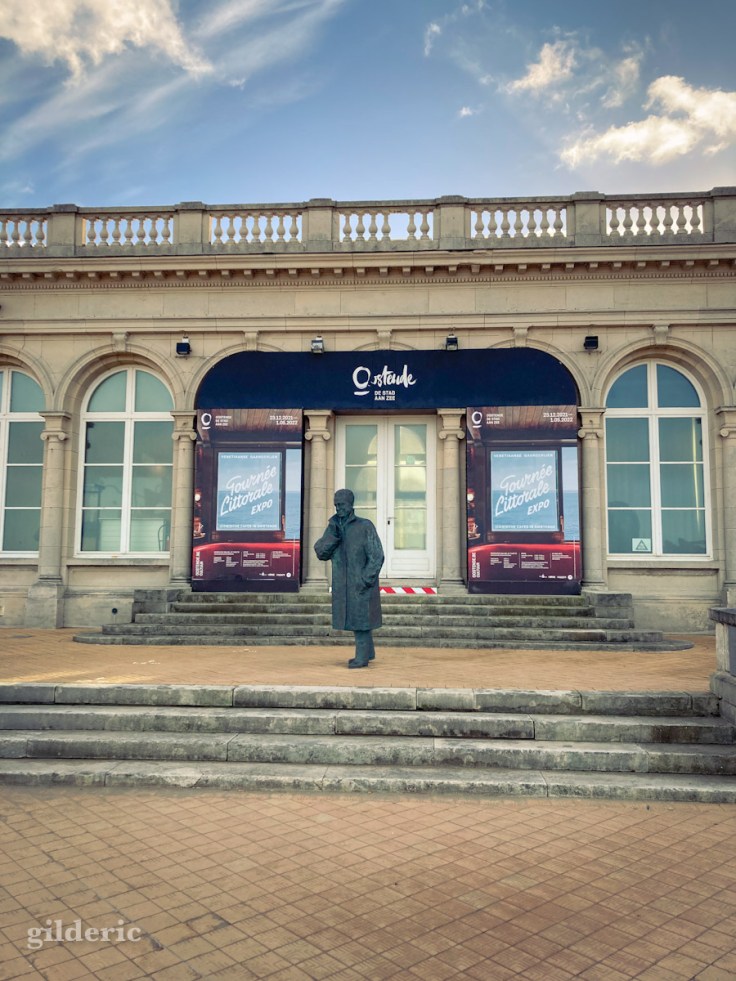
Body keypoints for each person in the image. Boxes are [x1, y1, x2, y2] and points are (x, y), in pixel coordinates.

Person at [314, 489, 384, 668]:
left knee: (361, 619)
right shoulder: (334, 527)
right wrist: (334, 536)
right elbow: (321, 552)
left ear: (351, 505)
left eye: (342, 505)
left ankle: (362, 657)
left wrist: (365, 579)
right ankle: (368, 652)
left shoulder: (364, 526)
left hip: (360, 581)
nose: (339, 508)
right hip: (343, 583)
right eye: (336, 505)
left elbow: (377, 556)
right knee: (356, 617)